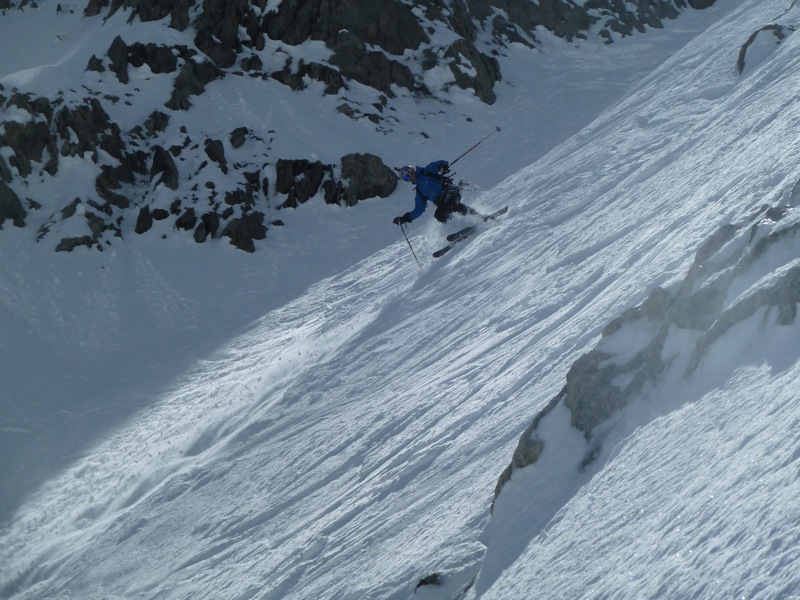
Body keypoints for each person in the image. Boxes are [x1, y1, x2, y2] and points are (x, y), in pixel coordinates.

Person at [393, 160, 478, 226]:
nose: (409, 179)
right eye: (406, 179)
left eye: (407, 176)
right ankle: (460, 226)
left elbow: (439, 163)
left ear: (411, 170)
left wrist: (443, 166)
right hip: (441, 201)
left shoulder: (426, 172)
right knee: (439, 215)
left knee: (450, 203)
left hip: (449, 191)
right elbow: (419, 209)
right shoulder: (419, 191)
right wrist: (404, 218)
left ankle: (476, 216)